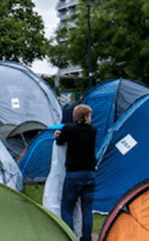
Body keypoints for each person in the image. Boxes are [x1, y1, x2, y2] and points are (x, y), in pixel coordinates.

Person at [55, 103, 96, 241]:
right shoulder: (93, 130)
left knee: (67, 208)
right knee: (87, 210)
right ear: (86, 117)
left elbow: (60, 142)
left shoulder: (68, 129)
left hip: (74, 173)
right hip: (90, 173)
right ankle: (86, 238)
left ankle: (70, 237)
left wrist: (58, 135)